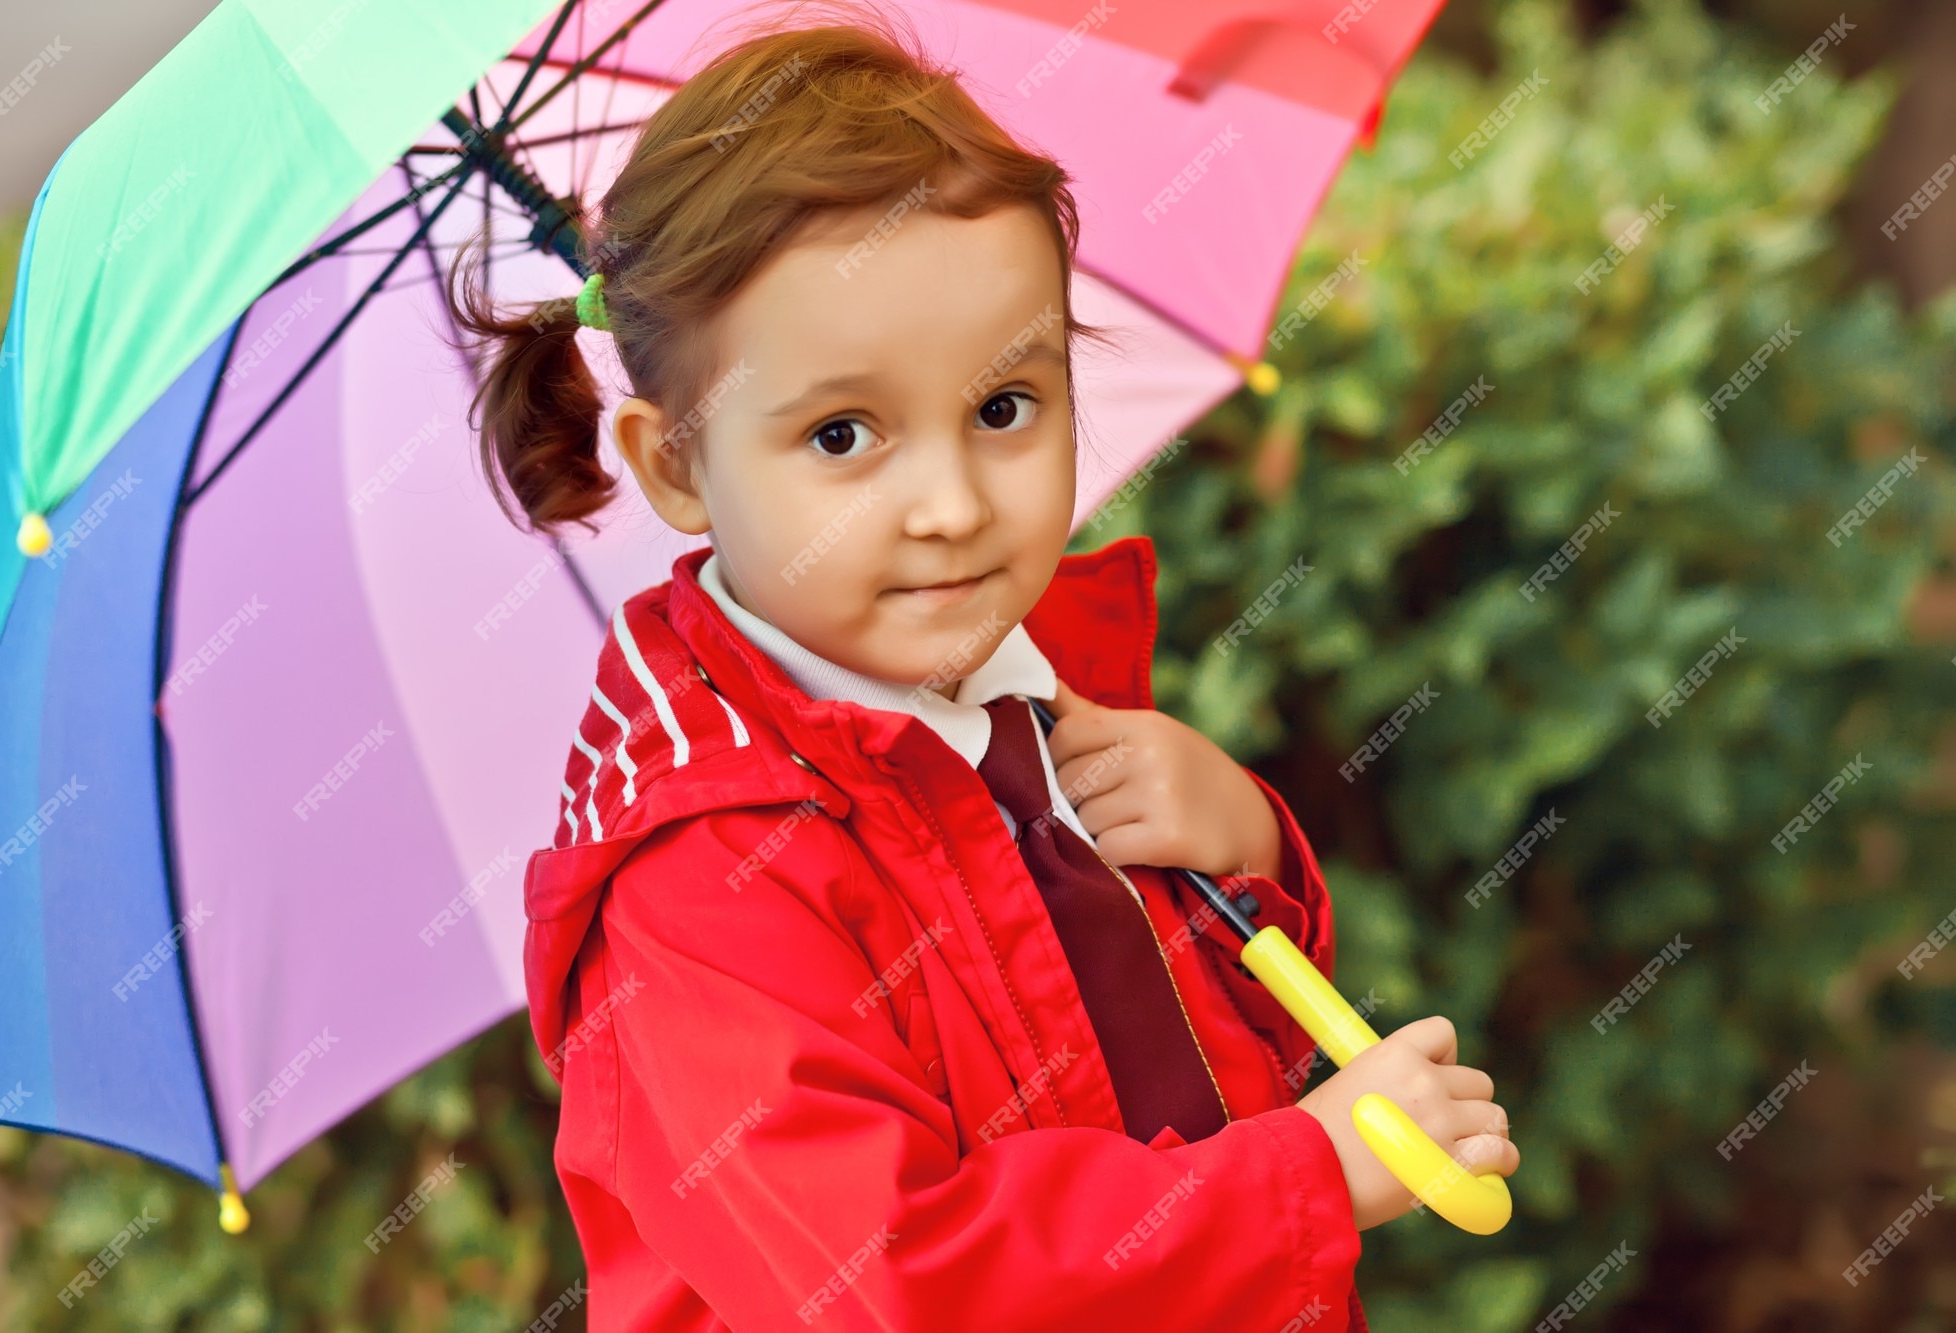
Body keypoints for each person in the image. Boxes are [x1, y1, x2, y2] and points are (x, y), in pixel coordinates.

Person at [452, 8, 1517, 1329]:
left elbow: (1174, 1054)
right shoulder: (700, 884)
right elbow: (901, 1283)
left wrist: (1239, 841)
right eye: (843, 434)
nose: (952, 502)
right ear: (675, 462)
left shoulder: (1015, 692)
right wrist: (1306, 1171)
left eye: (1005, 407)